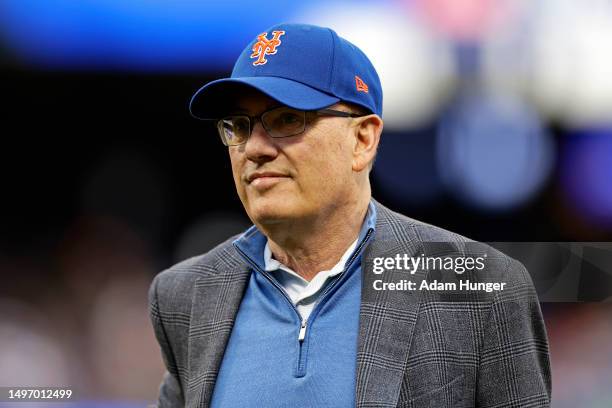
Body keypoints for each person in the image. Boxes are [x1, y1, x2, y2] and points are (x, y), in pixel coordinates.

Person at [148, 23, 551, 407]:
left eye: (287, 118)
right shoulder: (185, 295)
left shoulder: (480, 287)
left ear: (363, 139)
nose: (254, 148)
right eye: (238, 125)